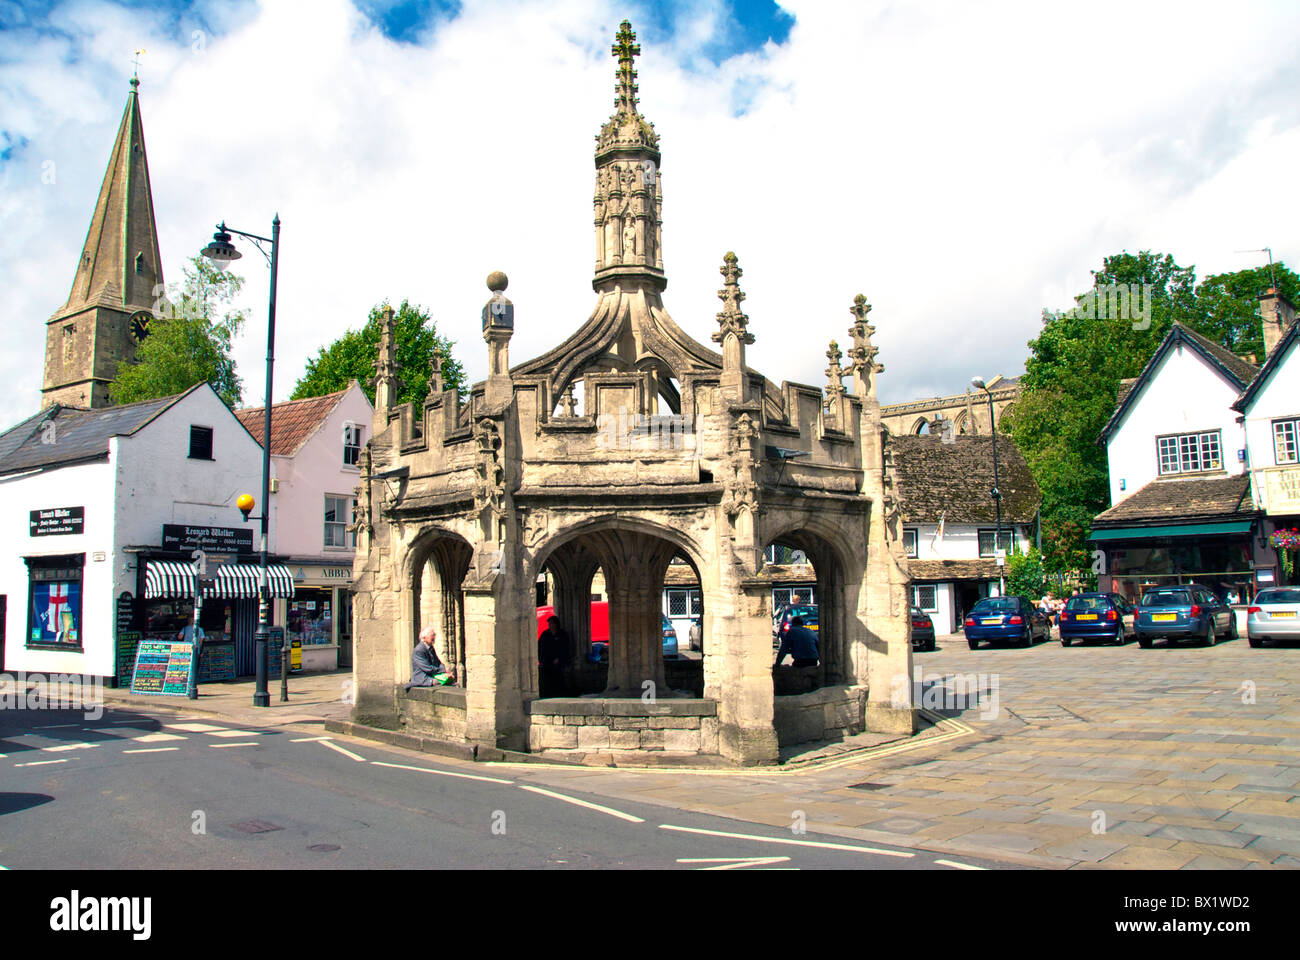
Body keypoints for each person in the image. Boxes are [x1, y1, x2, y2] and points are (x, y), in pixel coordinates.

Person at [406, 626, 453, 690]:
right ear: (424, 637)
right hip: (423, 679)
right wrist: (443, 671)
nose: (434, 637)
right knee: (448, 683)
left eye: (434, 635)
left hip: (432, 676)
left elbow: (438, 663)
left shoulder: (430, 647)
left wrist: (445, 671)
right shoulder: (419, 650)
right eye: (432, 635)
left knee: (451, 679)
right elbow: (427, 668)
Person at [537, 616, 571, 698]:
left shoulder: (562, 634)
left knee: (559, 678)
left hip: (559, 663)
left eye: (552, 623)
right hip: (547, 662)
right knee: (546, 679)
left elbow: (566, 648)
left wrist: (560, 658)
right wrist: (541, 660)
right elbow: (540, 647)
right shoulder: (545, 635)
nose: (550, 625)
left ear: (556, 624)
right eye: (549, 623)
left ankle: (561, 694)